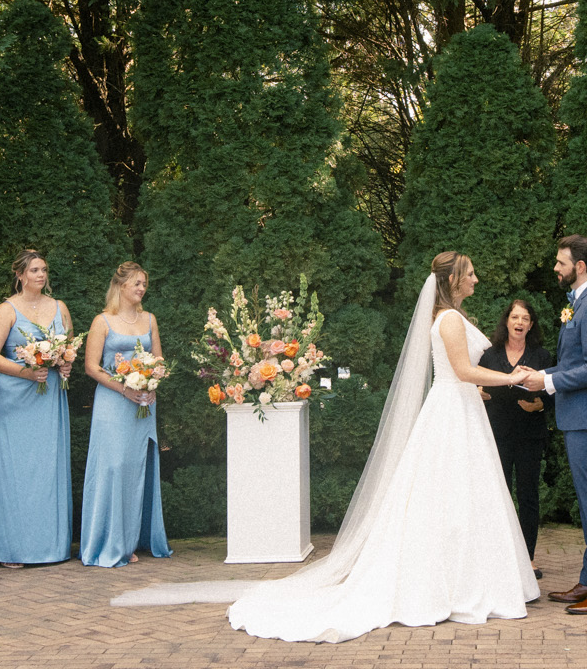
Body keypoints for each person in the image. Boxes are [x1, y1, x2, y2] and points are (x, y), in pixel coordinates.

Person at [112, 252, 542, 639]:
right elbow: (462, 371)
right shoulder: (447, 320)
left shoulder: (451, 317)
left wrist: (487, 390)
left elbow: (458, 374)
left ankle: (466, 577)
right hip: (452, 411)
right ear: (453, 280)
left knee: (464, 499)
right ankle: (453, 583)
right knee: (448, 498)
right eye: (471, 274)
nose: (476, 279)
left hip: (461, 409)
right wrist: (510, 378)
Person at [524, 235, 587, 613]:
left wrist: (547, 383)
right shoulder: (579, 304)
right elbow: (574, 363)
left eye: (560, 263)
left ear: (579, 267)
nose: (555, 268)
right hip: (580, 417)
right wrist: (542, 373)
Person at [0, 249, 75, 566]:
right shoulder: (7, 310)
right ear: (19, 275)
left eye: (44, 269)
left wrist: (64, 365)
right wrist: (26, 371)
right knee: (17, 472)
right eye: (34, 270)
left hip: (48, 399)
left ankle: (50, 546)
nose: (41, 275)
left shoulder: (60, 308)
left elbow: (69, 348)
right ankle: (12, 548)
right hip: (16, 398)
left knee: (47, 469)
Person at [80, 261, 171, 567]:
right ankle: (107, 541)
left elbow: (158, 359)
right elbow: (91, 366)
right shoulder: (103, 321)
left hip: (144, 402)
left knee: (136, 468)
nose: (142, 288)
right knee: (113, 467)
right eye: (136, 283)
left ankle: (130, 540)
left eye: (144, 283)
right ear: (120, 286)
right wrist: (124, 388)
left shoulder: (149, 319)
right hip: (113, 401)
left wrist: (153, 382)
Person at [482, 295, 551, 575]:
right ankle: (497, 557)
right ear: (507, 321)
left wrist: (541, 404)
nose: (519, 322)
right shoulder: (490, 355)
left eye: (525, 318)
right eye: (515, 317)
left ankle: (527, 558)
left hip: (529, 435)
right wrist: (478, 392)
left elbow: (553, 392)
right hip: (496, 433)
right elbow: (475, 381)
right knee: (497, 495)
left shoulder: (541, 356)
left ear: (531, 324)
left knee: (528, 496)